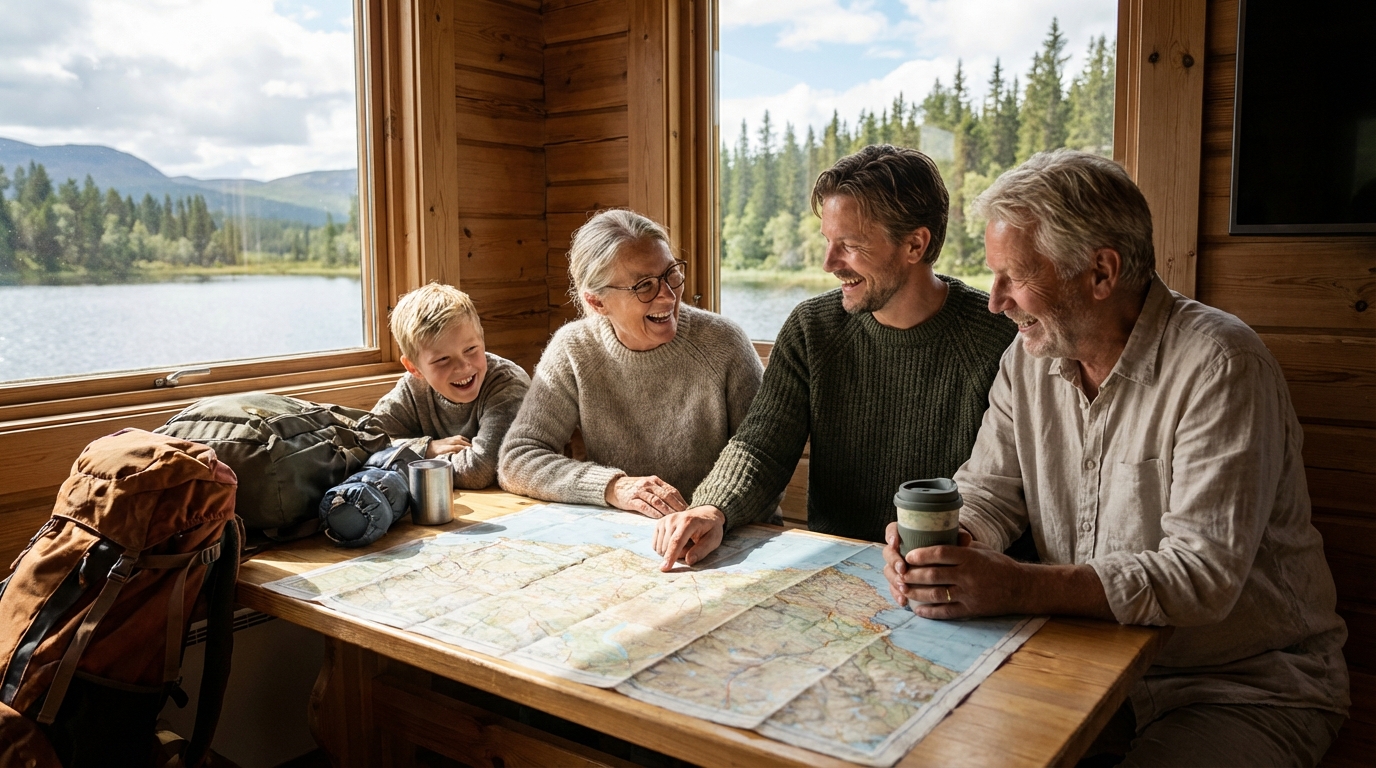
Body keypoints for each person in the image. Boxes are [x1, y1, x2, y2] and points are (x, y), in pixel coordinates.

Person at [882, 149, 1349, 767]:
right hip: (1087, 666)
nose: (995, 302)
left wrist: (1018, 585)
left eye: (1014, 278)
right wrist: (944, 544)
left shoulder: (1221, 364)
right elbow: (990, 493)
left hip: (1243, 687)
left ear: (1101, 273)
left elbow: (1200, 578)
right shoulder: (1028, 360)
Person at [653, 145, 1017, 568]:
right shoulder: (812, 327)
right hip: (834, 565)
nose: (829, 263)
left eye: (849, 245)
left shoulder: (999, 336)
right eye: (828, 241)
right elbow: (762, 445)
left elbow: (1006, 488)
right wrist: (714, 508)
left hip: (950, 571)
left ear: (915, 244)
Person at [498, 209, 762, 517]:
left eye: (671, 274)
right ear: (597, 302)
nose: (668, 296)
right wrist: (613, 487)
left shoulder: (724, 343)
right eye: (644, 285)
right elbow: (518, 459)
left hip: (725, 530)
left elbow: (763, 459)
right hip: (627, 534)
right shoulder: (574, 349)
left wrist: (711, 513)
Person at [371, 282, 530, 489]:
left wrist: (399, 459)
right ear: (414, 368)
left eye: (471, 348)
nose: (463, 366)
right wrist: (425, 449)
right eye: (443, 359)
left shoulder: (507, 386)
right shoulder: (413, 388)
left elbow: (478, 470)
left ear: (482, 338)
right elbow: (365, 440)